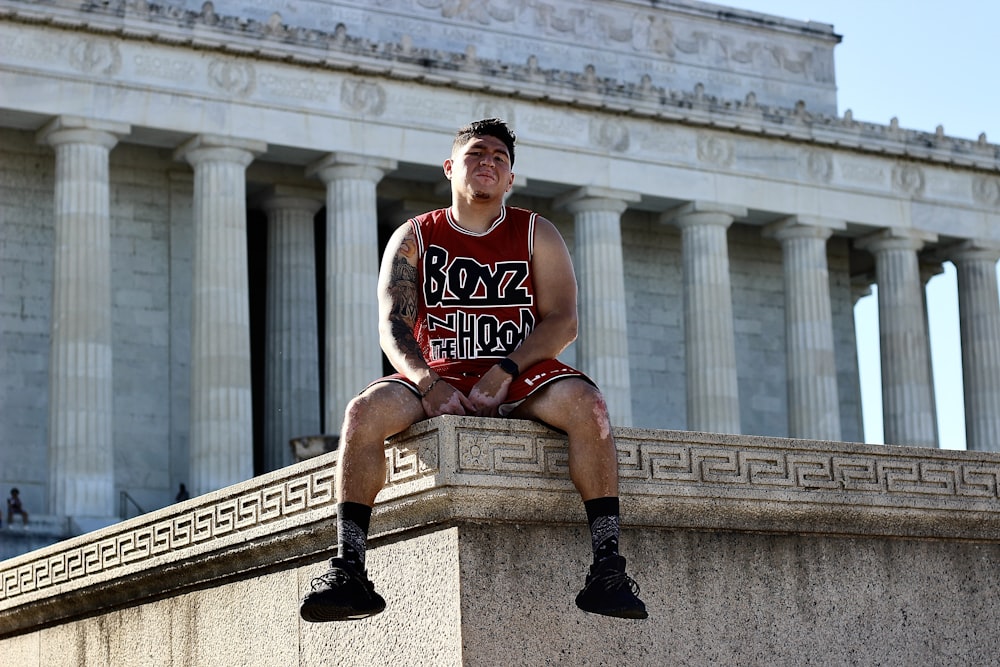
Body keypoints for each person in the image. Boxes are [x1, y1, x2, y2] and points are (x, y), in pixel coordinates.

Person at [299, 119, 647, 622]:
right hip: (438, 370)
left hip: (519, 370)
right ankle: (349, 567)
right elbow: (393, 324)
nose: (488, 162)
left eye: (500, 158)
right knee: (362, 414)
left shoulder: (535, 232)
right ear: (449, 168)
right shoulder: (416, 236)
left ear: (510, 179)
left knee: (588, 407)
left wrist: (504, 370)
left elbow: (563, 320)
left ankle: (607, 567)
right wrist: (426, 382)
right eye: (476, 153)